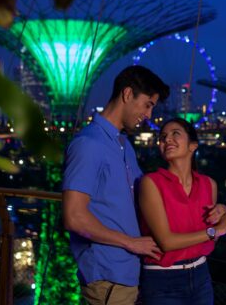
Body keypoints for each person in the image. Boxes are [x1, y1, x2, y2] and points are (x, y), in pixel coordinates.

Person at [62, 65, 170, 305]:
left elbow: (148, 196)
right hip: (107, 277)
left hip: (126, 273)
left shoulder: (123, 145)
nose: (149, 115)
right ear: (128, 94)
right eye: (148, 105)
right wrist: (130, 242)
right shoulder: (89, 144)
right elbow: (74, 217)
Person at [138, 117, 226, 305]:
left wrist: (222, 211)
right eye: (162, 137)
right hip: (163, 280)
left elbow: (212, 239)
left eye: (175, 134)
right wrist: (215, 230)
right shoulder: (151, 183)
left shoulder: (209, 184)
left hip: (201, 275)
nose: (167, 139)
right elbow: (167, 242)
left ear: (193, 145)